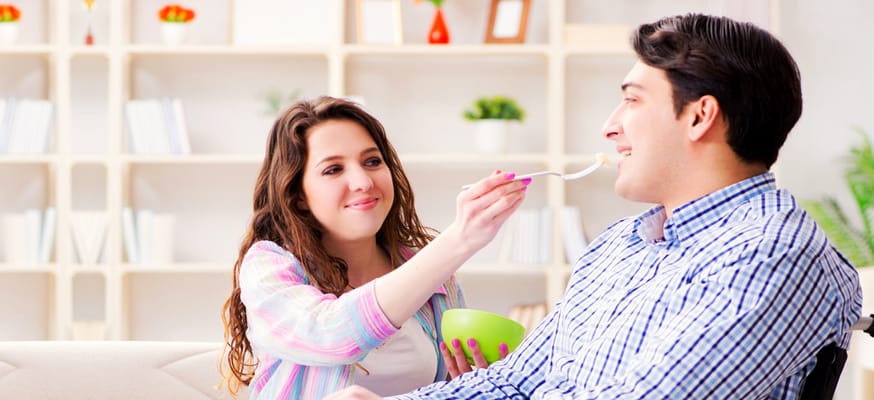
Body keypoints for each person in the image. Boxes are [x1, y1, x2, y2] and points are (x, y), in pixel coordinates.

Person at [324, 13, 864, 400]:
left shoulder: (777, 256)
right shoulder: (619, 245)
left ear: (700, 117)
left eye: (631, 99)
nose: (610, 126)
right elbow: (518, 380)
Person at [220, 96, 529, 399]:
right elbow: (331, 334)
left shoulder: (431, 276)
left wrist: (468, 387)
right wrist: (458, 240)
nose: (363, 182)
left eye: (372, 161)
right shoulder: (270, 267)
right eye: (333, 169)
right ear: (298, 194)